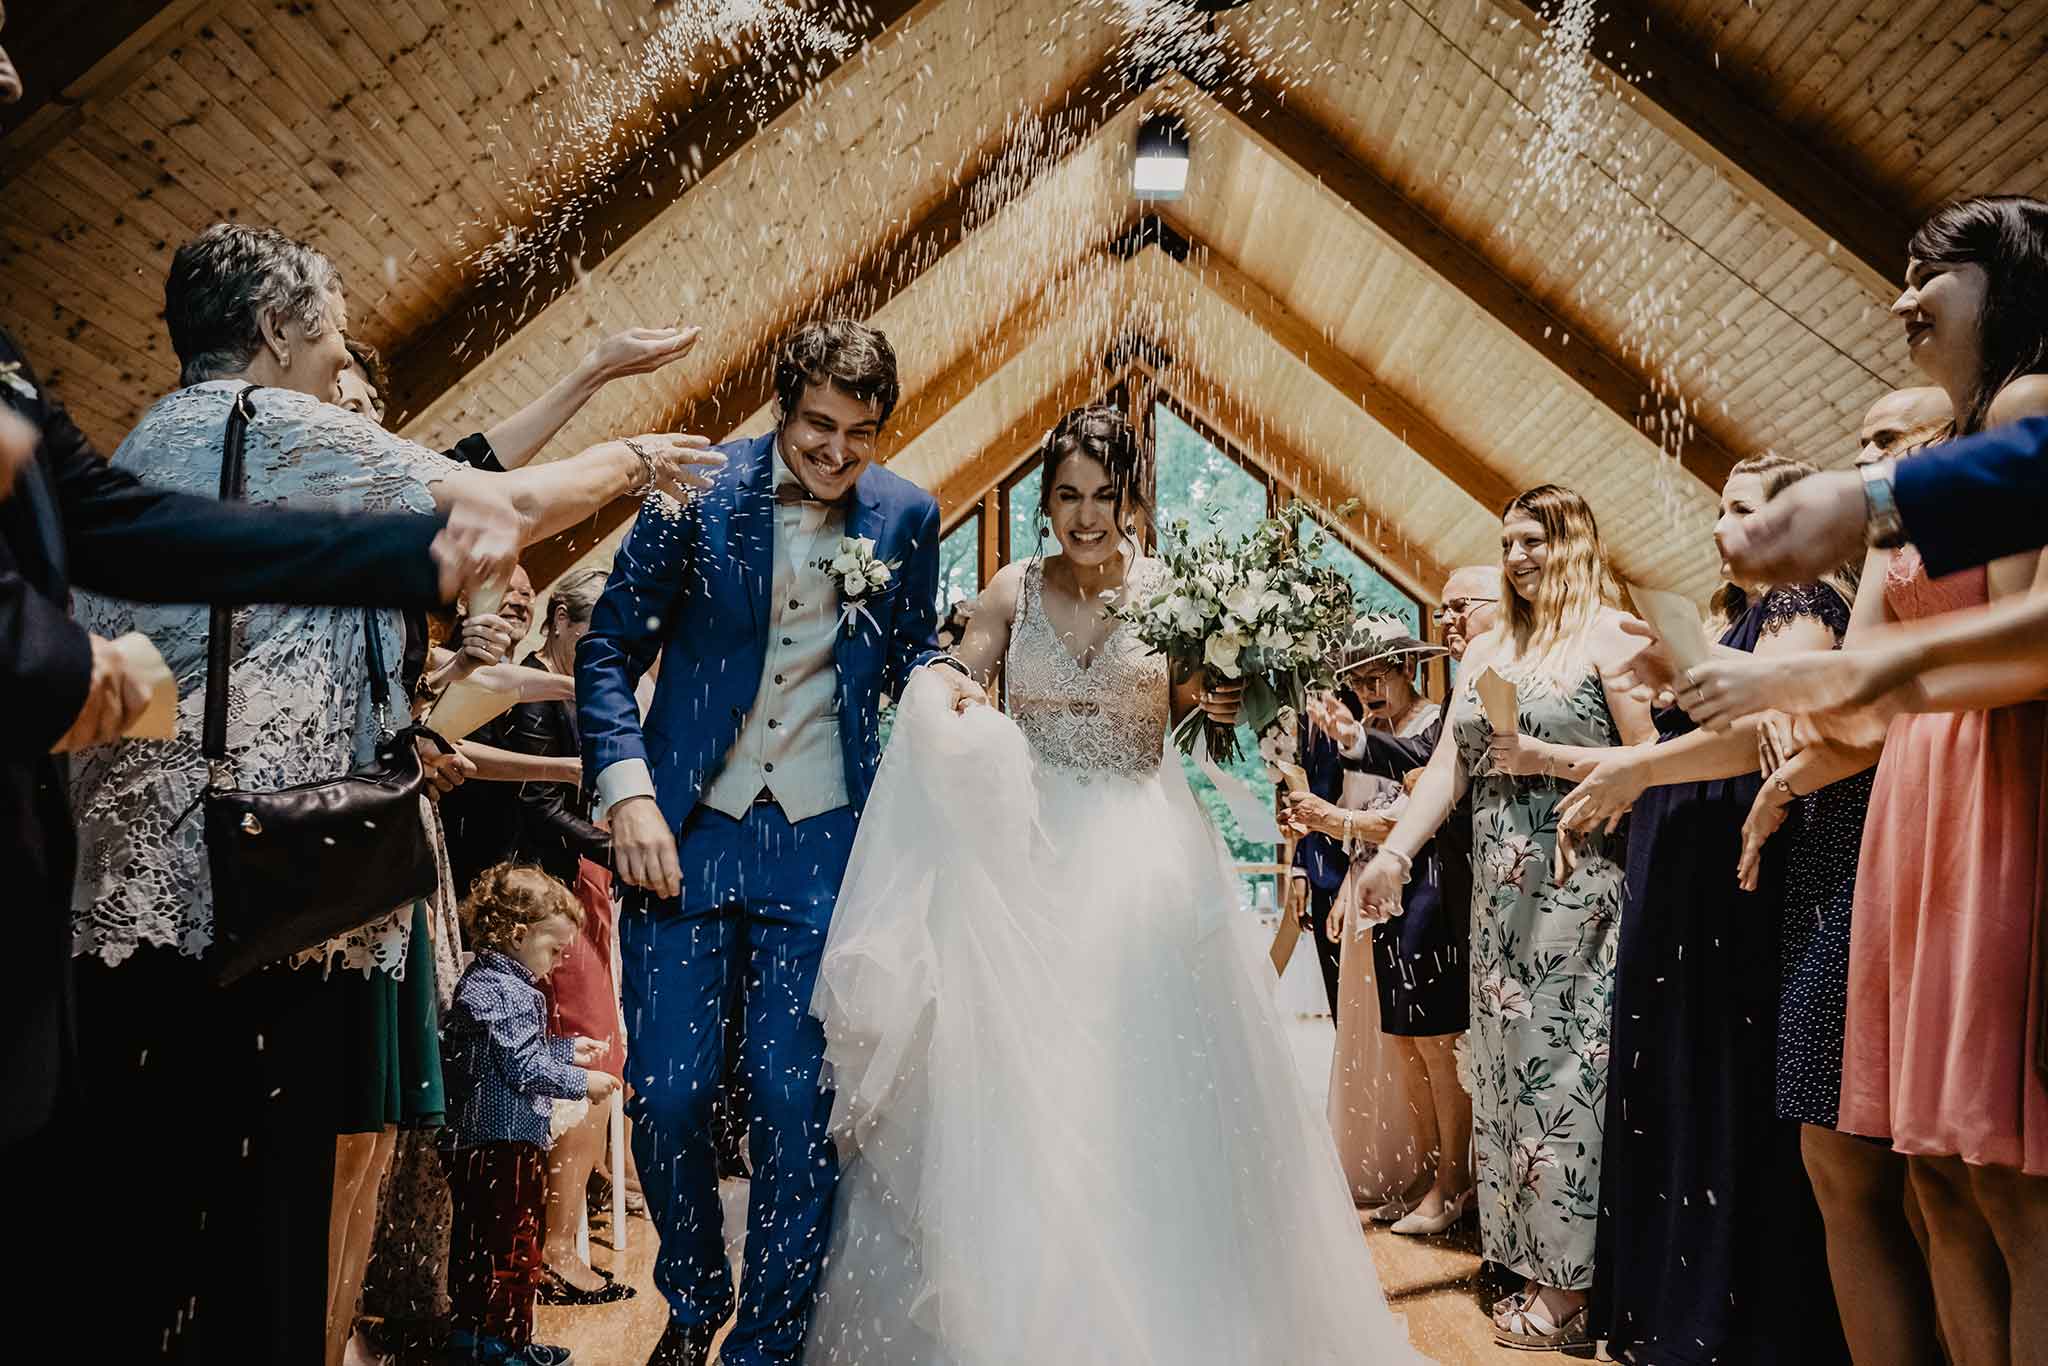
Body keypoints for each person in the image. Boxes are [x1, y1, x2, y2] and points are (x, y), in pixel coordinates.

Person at [60, 221, 719, 1364]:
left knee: (152, 1212)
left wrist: (588, 377)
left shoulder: (155, 435)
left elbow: (451, 462)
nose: (342, 351)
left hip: (139, 884)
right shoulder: (272, 422)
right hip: (262, 886)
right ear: (278, 328)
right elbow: (500, 502)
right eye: (333, 327)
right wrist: (636, 457)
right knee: (265, 1218)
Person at [801, 404, 1422, 1365]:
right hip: (1026, 859)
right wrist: (950, 689)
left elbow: (1203, 706)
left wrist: (1219, 695)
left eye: (1102, 495)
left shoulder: (1174, 596)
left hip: (1142, 858)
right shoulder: (1010, 589)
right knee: (1023, 1083)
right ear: (1046, 501)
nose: (1084, 516)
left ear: (1131, 500)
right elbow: (955, 670)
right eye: (1065, 496)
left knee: (1143, 1081)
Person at [577, 320, 982, 1366]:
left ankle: (766, 1342)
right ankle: (692, 1298)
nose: (837, 451)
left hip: (824, 847)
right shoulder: (692, 492)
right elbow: (606, 648)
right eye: (817, 426)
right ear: (780, 406)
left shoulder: (906, 515)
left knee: (795, 1103)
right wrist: (628, 793)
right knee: (670, 1095)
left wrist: (947, 680)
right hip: (683, 833)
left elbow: (908, 651)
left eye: (860, 432)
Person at [1555, 456, 1852, 1364]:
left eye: (1748, 508)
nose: (1726, 525)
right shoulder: (1730, 625)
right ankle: (1671, 1309)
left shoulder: (1804, 603)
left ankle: (1727, 1325)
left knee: (1724, 1088)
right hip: (1680, 878)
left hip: (1735, 879)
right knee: (1674, 1085)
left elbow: (1771, 728)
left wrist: (1638, 765)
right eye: (1721, 508)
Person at [1348, 485, 1656, 1351]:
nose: (1518, 556)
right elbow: (1451, 767)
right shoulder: (1490, 647)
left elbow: (1653, 763)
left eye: (1536, 540)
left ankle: (1573, 1288)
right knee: (1507, 1083)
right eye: (1509, 542)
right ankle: (1522, 1257)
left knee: (1566, 1080)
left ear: (1577, 542)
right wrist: (1394, 853)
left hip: (1578, 889)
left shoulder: (1611, 635)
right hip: (1497, 900)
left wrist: (1545, 756)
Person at [1289, 621, 1473, 1236]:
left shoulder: (1435, 724)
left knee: (1436, 1044)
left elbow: (1413, 813)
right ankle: (1425, 1174)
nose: (1368, 688)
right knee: (1403, 1043)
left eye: (1377, 676)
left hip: (1431, 890)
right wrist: (1347, 888)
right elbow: (1366, 817)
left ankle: (1455, 1180)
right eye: (1359, 678)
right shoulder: (1372, 732)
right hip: (1380, 897)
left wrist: (1334, 820)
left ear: (1408, 669)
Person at [439, 862, 620, 1366]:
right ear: (518, 935)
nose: (558, 961)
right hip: (504, 1142)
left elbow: (510, 1052)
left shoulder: (485, 981)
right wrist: (582, 1081)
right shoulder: (510, 991)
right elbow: (522, 1067)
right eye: (554, 949)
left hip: (477, 1141)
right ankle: (507, 1344)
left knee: (477, 1245)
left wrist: (566, 1050)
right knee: (515, 1247)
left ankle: (473, 1334)